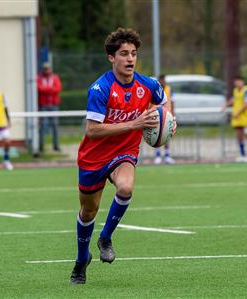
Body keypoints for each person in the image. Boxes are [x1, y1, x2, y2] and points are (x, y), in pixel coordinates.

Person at [70, 28, 176, 284]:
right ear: (111, 58)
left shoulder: (148, 85)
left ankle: (105, 237)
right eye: (124, 54)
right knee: (88, 211)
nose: (130, 59)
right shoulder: (100, 88)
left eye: (134, 54)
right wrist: (134, 124)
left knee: (126, 187)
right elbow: (92, 131)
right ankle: (82, 259)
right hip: (93, 156)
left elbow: (163, 102)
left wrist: (168, 122)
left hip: (124, 152)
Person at [225, 75, 247, 162]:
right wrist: (225, 105)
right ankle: (242, 155)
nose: (238, 83)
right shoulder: (235, 90)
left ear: (243, 82)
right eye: (236, 81)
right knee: (239, 136)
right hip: (238, 118)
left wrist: (237, 112)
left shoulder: (246, 90)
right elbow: (234, 99)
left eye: (239, 81)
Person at [37, 62, 62, 152]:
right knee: (42, 126)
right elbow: (39, 89)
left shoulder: (55, 78)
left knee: (55, 126)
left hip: (54, 105)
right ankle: (41, 146)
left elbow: (58, 88)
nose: (46, 70)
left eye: (47, 68)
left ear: (50, 69)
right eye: (45, 69)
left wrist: (46, 89)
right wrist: (51, 89)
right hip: (43, 105)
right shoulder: (39, 78)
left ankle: (56, 146)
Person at [154, 74, 176, 164]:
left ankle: (167, 155)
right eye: (161, 80)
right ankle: (158, 155)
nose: (163, 81)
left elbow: (173, 101)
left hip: (167, 115)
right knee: (156, 135)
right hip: (156, 115)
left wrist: (173, 114)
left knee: (166, 136)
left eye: (164, 80)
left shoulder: (169, 89)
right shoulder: (155, 89)